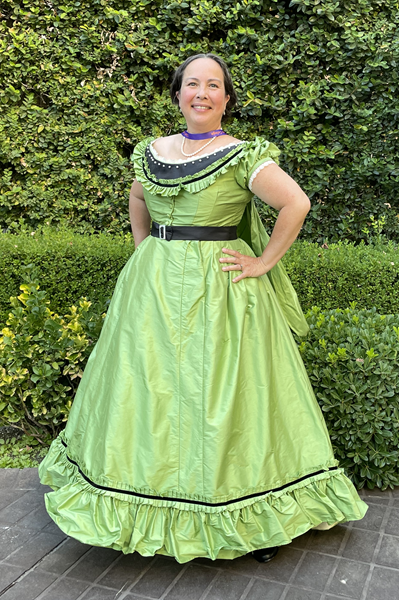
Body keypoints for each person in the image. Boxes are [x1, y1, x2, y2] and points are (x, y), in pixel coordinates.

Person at [39, 53, 368, 565]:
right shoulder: (152, 151)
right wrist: (146, 250)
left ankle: (249, 512)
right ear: (178, 95)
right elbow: (139, 199)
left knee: (223, 395)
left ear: (226, 99)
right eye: (192, 84)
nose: (202, 93)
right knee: (149, 388)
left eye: (213, 85)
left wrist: (262, 263)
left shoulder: (242, 156)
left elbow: (295, 203)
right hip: (152, 290)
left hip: (222, 294)